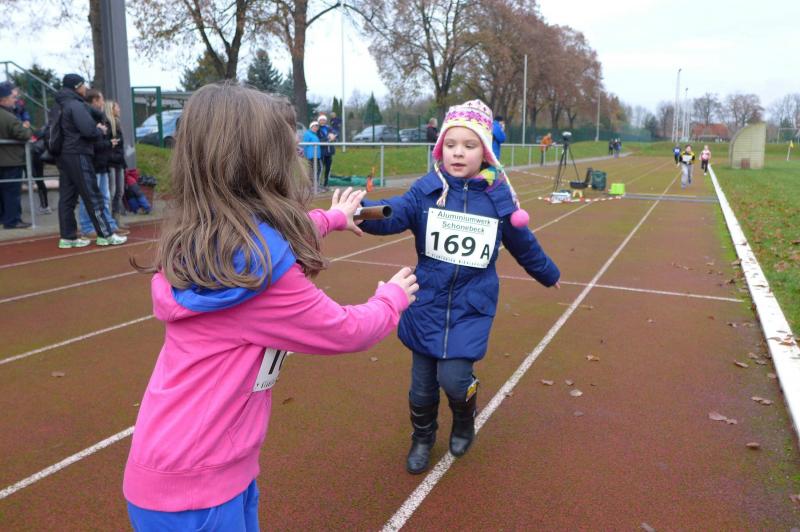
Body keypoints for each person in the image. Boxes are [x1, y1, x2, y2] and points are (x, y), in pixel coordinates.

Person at [123, 83, 418, 530]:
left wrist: (332, 218)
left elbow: (270, 236)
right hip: (197, 491)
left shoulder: (197, 238)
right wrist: (391, 299)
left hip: (192, 469)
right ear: (266, 162)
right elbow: (347, 330)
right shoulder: (265, 279)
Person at [358, 99, 560, 474]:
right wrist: (359, 212)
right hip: (426, 303)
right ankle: (422, 437)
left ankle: (464, 418)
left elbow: (523, 244)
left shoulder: (498, 199)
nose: (458, 153)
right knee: (421, 388)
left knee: (454, 379)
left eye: (469, 145)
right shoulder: (426, 191)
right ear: (441, 149)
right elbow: (393, 214)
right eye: (450, 145)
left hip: (472, 306)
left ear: (485, 152)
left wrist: (548, 273)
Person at [53, 73, 126, 248]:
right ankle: (106, 235)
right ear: (76, 87)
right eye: (83, 85)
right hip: (78, 153)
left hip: (64, 155)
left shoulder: (60, 105)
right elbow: (88, 131)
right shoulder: (75, 106)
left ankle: (68, 237)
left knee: (67, 198)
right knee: (93, 195)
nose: (85, 88)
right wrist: (99, 129)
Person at [77, 90, 127, 237]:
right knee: (90, 197)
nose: (103, 102)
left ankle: (109, 224)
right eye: (101, 99)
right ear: (95, 101)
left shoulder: (101, 119)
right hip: (92, 164)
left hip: (102, 164)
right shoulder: (87, 118)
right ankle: (87, 226)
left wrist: (106, 142)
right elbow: (91, 142)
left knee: (105, 197)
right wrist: (107, 142)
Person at [0, 81, 33, 229]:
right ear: (3, 100)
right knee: (11, 193)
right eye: (12, 97)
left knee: (3, 193)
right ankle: (12, 221)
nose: (15, 100)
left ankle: (4, 218)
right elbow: (24, 134)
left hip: (5, 160)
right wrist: (27, 128)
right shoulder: (8, 117)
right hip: (11, 161)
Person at [105, 100, 128, 227]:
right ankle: (109, 221)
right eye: (117, 107)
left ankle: (116, 220)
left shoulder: (117, 124)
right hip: (111, 163)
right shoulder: (107, 125)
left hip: (119, 162)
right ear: (111, 110)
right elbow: (108, 145)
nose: (119, 109)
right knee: (111, 192)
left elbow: (119, 146)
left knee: (120, 191)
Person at [317, 114, 336, 190]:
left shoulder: (329, 128)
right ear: (319, 121)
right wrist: (328, 138)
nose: (322, 121)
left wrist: (333, 137)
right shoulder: (317, 129)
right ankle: (318, 185)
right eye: (321, 120)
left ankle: (326, 184)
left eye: (324, 120)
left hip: (329, 152)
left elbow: (335, 135)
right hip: (322, 152)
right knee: (320, 168)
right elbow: (318, 140)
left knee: (328, 169)